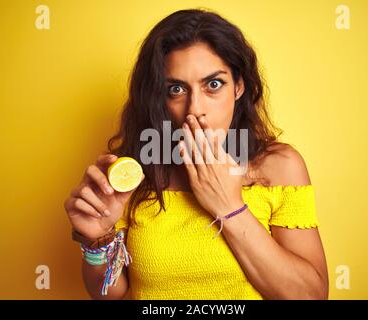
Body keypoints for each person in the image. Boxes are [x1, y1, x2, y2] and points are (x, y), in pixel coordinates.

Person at [64, 8, 328, 300]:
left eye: (213, 85)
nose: (195, 109)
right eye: (176, 89)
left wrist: (228, 206)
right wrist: (96, 242)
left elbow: (310, 296)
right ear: (158, 98)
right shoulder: (132, 175)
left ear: (239, 86)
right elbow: (112, 296)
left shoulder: (279, 167)